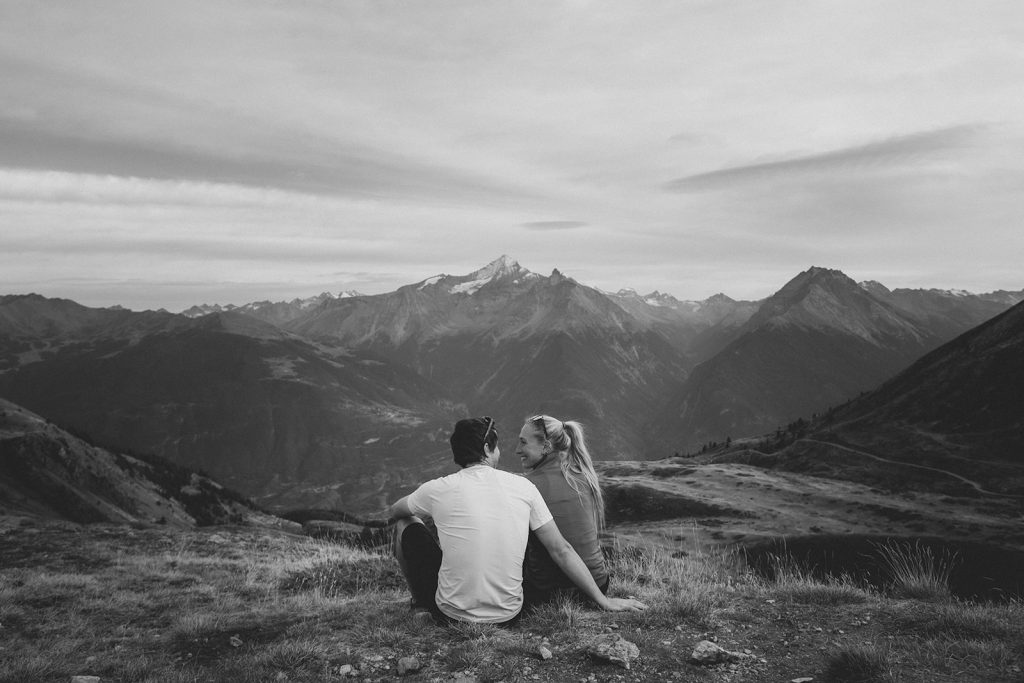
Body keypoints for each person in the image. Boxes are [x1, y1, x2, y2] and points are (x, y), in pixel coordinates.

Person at [389, 416, 646, 625]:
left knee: (405, 524)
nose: (511, 450)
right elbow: (561, 548)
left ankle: (420, 602)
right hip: (524, 608)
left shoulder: (437, 488)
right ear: (488, 448)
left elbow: (395, 510)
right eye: (501, 445)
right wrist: (603, 600)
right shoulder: (532, 485)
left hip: (458, 612)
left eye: (523, 442)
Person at [517, 415, 609, 606]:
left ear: (546, 447)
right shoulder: (585, 477)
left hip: (549, 594)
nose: (518, 450)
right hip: (598, 584)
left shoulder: (527, 486)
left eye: (523, 443)